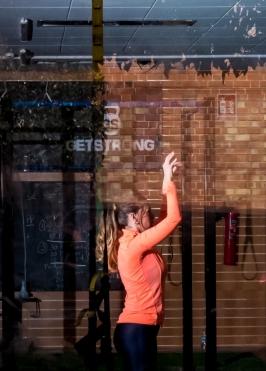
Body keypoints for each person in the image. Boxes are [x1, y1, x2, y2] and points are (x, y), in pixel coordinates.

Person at [97, 151, 183, 371]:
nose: (153, 217)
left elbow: (165, 219)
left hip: (141, 329)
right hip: (136, 329)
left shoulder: (135, 240)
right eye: (148, 212)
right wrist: (166, 179)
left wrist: (168, 183)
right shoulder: (132, 245)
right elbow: (173, 219)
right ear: (134, 217)